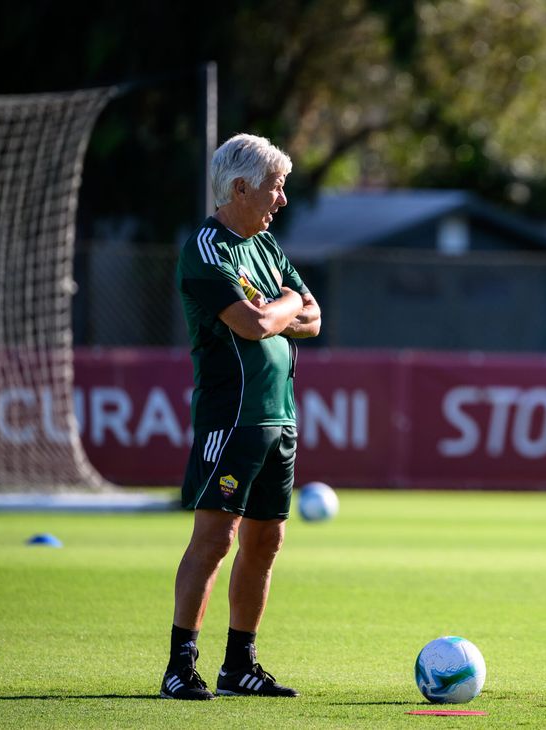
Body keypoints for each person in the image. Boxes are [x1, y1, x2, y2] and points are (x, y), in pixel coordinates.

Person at [161, 133, 321, 700]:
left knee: (266, 541)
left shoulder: (267, 246)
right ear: (240, 188)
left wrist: (277, 309)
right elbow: (252, 327)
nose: (282, 199)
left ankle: (239, 665)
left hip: (280, 418)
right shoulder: (207, 249)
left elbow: (313, 317)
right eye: (275, 187)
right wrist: (284, 307)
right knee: (215, 538)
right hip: (231, 419)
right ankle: (180, 666)